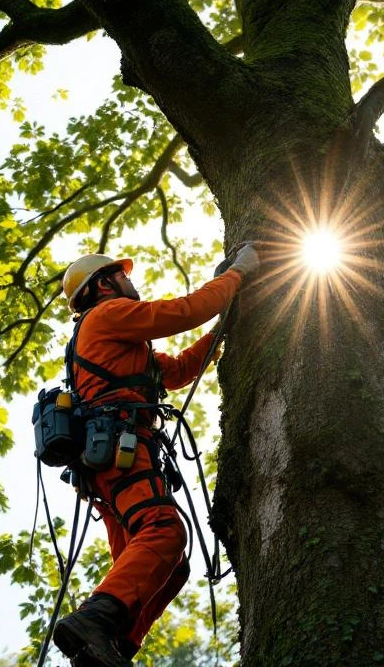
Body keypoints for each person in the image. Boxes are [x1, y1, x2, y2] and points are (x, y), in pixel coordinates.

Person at [51, 245, 259, 667]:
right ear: (104, 284)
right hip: (121, 450)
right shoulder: (108, 316)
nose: (131, 281)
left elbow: (179, 369)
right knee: (164, 532)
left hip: (105, 466)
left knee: (170, 565)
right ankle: (94, 621)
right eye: (121, 275)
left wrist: (224, 329)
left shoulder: (123, 348)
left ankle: (108, 648)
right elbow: (182, 312)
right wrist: (237, 274)